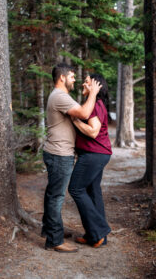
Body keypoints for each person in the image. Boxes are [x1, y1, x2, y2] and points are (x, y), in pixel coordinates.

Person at [42, 63, 101, 253]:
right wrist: (93, 93)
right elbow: (84, 113)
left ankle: (49, 230)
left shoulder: (60, 96)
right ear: (62, 77)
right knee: (56, 197)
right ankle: (54, 240)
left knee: (53, 194)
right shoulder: (60, 96)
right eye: (73, 77)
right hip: (59, 154)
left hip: (58, 153)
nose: (75, 80)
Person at [68, 73, 112, 248]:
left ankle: (99, 230)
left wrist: (75, 120)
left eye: (86, 82)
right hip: (99, 153)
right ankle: (95, 236)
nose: (83, 85)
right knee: (93, 191)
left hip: (93, 154)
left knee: (76, 188)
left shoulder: (94, 105)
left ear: (96, 86)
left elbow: (93, 131)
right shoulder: (97, 104)